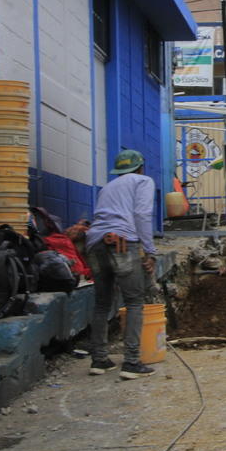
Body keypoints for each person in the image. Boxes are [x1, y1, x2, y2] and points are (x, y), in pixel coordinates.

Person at [85, 149, 157, 380]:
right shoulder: (143, 181)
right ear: (140, 167)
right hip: (123, 243)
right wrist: (150, 251)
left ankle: (99, 360)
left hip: (96, 243)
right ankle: (132, 362)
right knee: (135, 301)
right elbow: (142, 214)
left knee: (102, 303)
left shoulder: (107, 187)